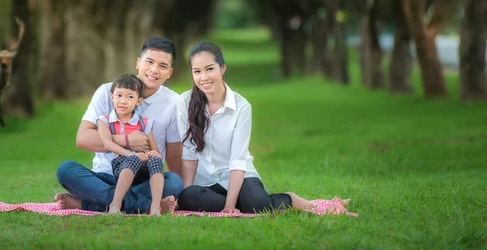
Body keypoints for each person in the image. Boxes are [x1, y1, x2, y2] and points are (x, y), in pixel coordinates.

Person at [176, 41, 357, 216]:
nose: (204, 77)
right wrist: (185, 195)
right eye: (197, 71)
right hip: (205, 181)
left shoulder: (241, 107)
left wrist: (230, 206)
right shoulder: (185, 102)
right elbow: (189, 154)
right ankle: (238, 202)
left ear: (222, 68)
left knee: (258, 205)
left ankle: (290, 199)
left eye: (210, 69)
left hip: (239, 175)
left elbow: (238, 160)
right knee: (188, 197)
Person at [56, 37, 183, 214]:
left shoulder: (174, 103)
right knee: (66, 170)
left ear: (169, 72)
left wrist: (181, 193)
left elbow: (174, 155)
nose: (154, 70)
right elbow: (82, 139)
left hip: (143, 180)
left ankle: (91, 204)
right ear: (138, 63)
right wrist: (126, 140)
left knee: (174, 182)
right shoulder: (107, 92)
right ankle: (146, 205)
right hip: (104, 177)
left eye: (162, 66)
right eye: (149, 62)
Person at [97, 74, 165, 215]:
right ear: (112, 97)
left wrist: (153, 154)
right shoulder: (105, 120)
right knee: (133, 159)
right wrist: (132, 154)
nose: (123, 101)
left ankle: (155, 206)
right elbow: (107, 143)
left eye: (130, 97)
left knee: (157, 162)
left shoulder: (144, 123)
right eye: (119, 95)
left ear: (138, 101)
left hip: (142, 171)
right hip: (121, 166)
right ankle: (115, 204)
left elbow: (156, 151)